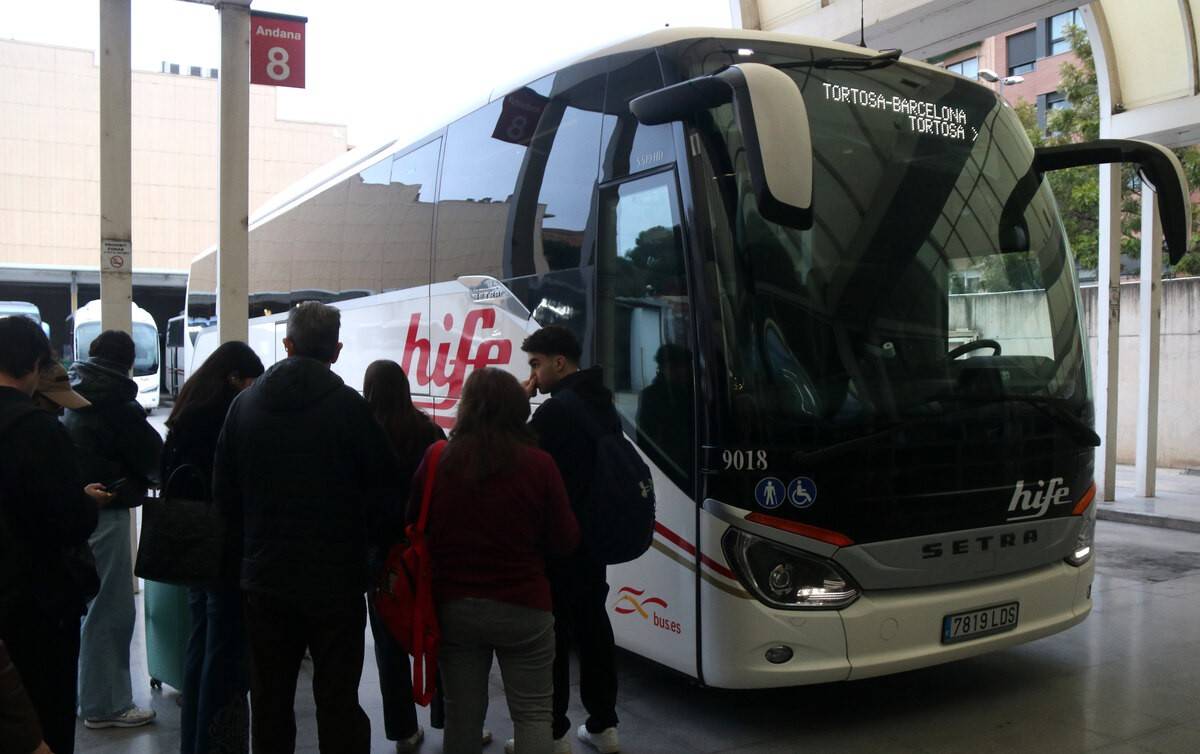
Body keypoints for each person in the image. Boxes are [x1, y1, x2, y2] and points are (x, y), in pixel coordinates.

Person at [213, 302, 402, 754]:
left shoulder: (244, 406)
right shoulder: (351, 410)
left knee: (271, 700)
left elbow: (224, 498)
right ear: (336, 351)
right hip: (335, 583)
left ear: (287, 344)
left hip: (264, 582)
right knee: (338, 699)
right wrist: (372, 558)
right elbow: (386, 495)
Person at [411, 367, 578, 754]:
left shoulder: (438, 458)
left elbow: (413, 521)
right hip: (525, 606)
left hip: (455, 606)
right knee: (535, 713)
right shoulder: (539, 465)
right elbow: (566, 539)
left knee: (462, 716)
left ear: (467, 407)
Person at [0, 316, 102, 754]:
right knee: (46, 722)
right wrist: (83, 503)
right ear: (37, 367)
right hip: (35, 605)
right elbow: (68, 521)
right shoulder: (39, 431)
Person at [520, 326, 621, 754]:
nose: (534, 375)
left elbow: (518, 461)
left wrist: (518, 403)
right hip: (594, 540)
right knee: (595, 628)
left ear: (559, 362)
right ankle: (603, 726)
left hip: (558, 543)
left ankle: (555, 731)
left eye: (536, 365)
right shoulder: (602, 402)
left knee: (553, 637)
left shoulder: (555, 411)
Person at [164, 342, 265, 754]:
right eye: (249, 381)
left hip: (190, 546)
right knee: (223, 655)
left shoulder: (187, 410)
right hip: (222, 549)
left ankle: (194, 741)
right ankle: (215, 743)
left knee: (200, 645)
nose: (251, 389)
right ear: (233, 378)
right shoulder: (225, 417)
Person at [64, 329, 163, 730]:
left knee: (91, 608)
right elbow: (152, 456)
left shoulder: (74, 393)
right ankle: (106, 705)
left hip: (80, 509)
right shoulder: (117, 403)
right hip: (108, 509)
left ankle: (88, 695)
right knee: (112, 608)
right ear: (128, 363)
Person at [362, 359, 447, 752]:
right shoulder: (429, 431)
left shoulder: (362, 434)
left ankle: (403, 732)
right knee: (440, 636)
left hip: (382, 560)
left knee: (389, 647)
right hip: (426, 556)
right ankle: (451, 718)